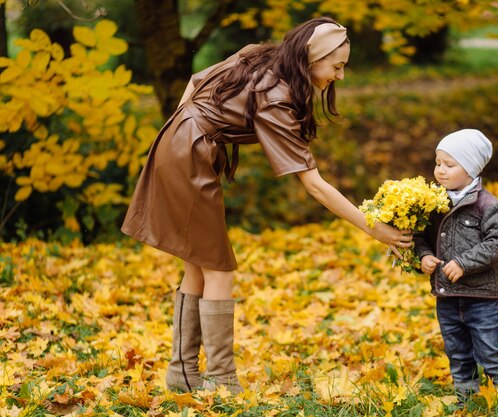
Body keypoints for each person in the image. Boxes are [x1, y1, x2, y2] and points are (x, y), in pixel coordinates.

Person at [121, 17, 413, 394]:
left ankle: (183, 374)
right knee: (218, 268)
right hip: (188, 154)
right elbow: (315, 186)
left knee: (198, 266)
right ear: (311, 59)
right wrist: (375, 229)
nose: (340, 76)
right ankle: (220, 380)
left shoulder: (260, 57)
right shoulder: (276, 97)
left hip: (180, 144)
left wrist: (179, 131)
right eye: (336, 66)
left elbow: (195, 83)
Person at [413, 129, 498, 403]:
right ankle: (466, 398)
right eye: (438, 163)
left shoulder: (488, 206)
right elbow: (420, 236)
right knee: (457, 351)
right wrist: (423, 256)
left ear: (471, 168)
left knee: (490, 350)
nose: (440, 171)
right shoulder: (433, 203)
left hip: (481, 297)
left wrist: (463, 263)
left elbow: (497, 243)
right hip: (447, 298)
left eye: (450, 164)